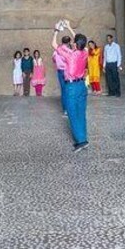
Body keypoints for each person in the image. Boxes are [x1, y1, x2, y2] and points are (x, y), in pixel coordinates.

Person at [52, 20, 89, 151]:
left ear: (75, 44)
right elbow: (79, 40)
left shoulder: (70, 55)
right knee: (81, 113)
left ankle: (80, 141)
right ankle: (83, 138)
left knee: (73, 113)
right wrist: (69, 27)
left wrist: (56, 30)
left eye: (74, 41)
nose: (72, 42)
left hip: (72, 87)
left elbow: (54, 44)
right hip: (81, 86)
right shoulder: (85, 52)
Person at [53, 35, 72, 114]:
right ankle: (69, 108)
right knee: (69, 90)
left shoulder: (57, 50)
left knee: (63, 90)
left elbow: (53, 59)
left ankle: (65, 109)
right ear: (68, 42)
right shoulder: (68, 50)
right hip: (67, 71)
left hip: (59, 70)